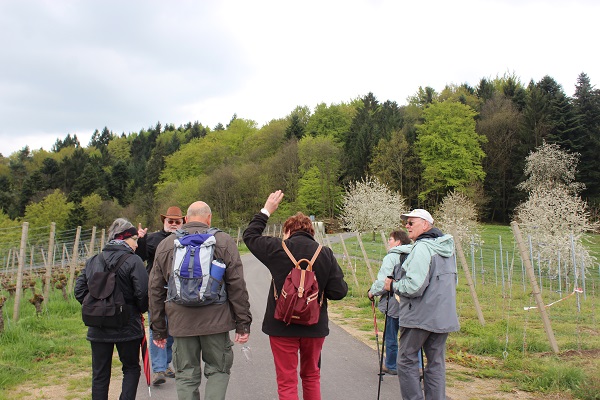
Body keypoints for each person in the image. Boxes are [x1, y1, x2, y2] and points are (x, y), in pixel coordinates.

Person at [243, 190, 348, 400]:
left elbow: (250, 236)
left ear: (288, 231)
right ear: (311, 232)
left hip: (281, 326)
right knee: (311, 376)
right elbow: (339, 292)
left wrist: (266, 210)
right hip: (314, 327)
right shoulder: (324, 253)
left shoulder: (277, 249)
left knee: (287, 380)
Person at [149, 201, 251, 400]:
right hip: (216, 322)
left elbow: (154, 290)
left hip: (181, 323)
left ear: (185, 219)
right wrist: (243, 324)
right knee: (218, 371)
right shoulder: (223, 241)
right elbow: (237, 285)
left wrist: (159, 329)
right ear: (209, 218)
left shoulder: (167, 245)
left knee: (186, 376)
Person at [384, 209, 460, 400]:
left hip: (419, 315)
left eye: (411, 223)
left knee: (406, 360)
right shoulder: (447, 249)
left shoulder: (422, 248)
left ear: (425, 224)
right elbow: (453, 282)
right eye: (406, 223)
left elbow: (414, 286)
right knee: (436, 363)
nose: (407, 226)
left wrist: (393, 285)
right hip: (443, 315)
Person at [74, 218, 149, 400]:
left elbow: (79, 290)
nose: (137, 245)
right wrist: (138, 309)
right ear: (124, 238)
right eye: (134, 240)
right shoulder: (133, 261)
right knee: (131, 368)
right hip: (128, 325)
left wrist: (98, 307)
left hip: (98, 326)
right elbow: (143, 293)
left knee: (99, 374)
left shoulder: (93, 261)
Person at [136, 206, 184, 385]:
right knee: (157, 327)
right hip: (156, 291)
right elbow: (140, 256)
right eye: (170, 221)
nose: (173, 224)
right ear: (164, 222)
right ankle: (157, 369)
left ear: (182, 223)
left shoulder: (185, 239)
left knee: (172, 330)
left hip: (178, 292)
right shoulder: (153, 239)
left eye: (176, 222)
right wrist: (141, 240)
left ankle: (166, 363)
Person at [368, 230, 412, 376]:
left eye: (391, 239)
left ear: (398, 242)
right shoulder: (416, 253)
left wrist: (372, 291)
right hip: (412, 302)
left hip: (394, 301)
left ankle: (391, 365)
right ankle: (415, 367)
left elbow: (383, 281)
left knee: (391, 335)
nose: (388, 242)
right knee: (412, 337)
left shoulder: (392, 257)